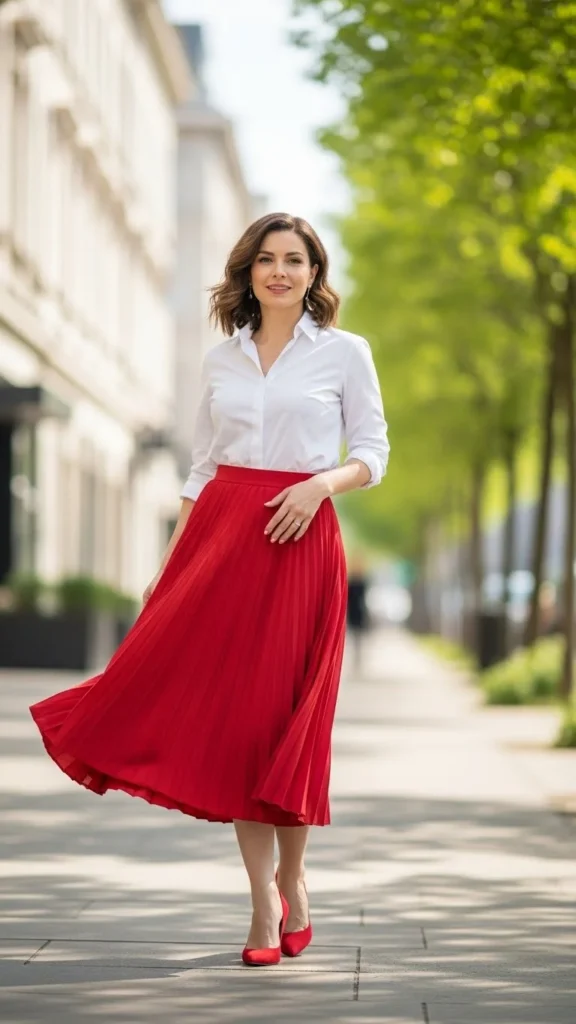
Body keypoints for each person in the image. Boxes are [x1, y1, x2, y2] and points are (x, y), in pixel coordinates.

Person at [29, 212, 390, 967]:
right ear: (248, 272)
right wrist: (170, 565)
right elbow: (201, 468)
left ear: (315, 274)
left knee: (291, 723)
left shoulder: (344, 353)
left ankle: (294, 878)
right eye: (267, 259)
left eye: (294, 260)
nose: (280, 271)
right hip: (223, 542)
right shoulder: (221, 359)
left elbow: (372, 453)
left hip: (301, 543)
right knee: (242, 728)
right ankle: (262, 902)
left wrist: (319, 485)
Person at [346, 550, 372, 675]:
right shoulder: (351, 581)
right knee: (353, 637)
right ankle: (355, 660)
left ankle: (358, 660)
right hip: (352, 611)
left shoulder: (363, 581)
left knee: (358, 638)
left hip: (359, 611)